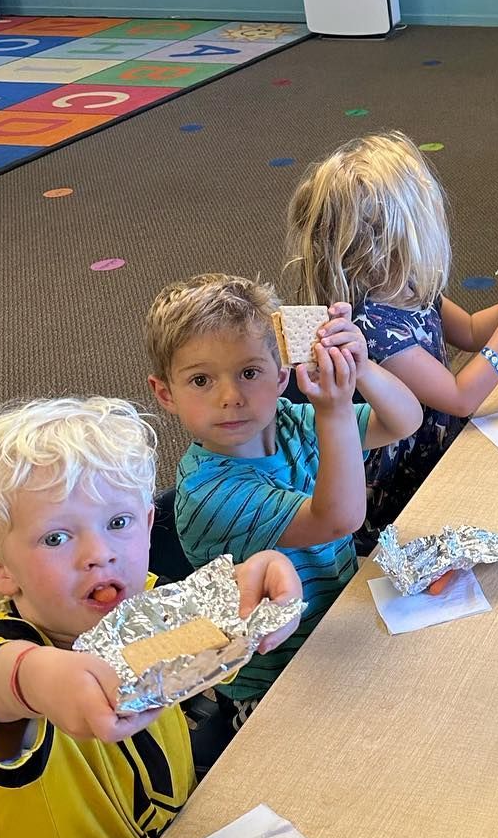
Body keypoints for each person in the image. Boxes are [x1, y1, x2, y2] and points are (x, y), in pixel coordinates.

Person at [0, 396, 303, 838]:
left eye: (118, 524)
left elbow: (218, 619)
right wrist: (47, 680)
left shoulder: (139, 622)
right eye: (58, 537)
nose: (98, 554)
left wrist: (262, 575)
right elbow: (10, 682)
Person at [146, 274, 422, 718]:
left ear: (280, 377)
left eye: (249, 373)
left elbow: (403, 421)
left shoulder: (293, 421)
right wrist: (333, 410)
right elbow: (339, 519)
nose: (230, 397)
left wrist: (361, 365)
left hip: (343, 624)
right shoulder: (208, 493)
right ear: (166, 393)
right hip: (279, 684)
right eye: (200, 380)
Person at [283, 134, 498, 531]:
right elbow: (460, 397)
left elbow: (472, 332)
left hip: (444, 451)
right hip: (405, 488)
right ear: (391, 242)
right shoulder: (370, 327)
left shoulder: (409, 288)